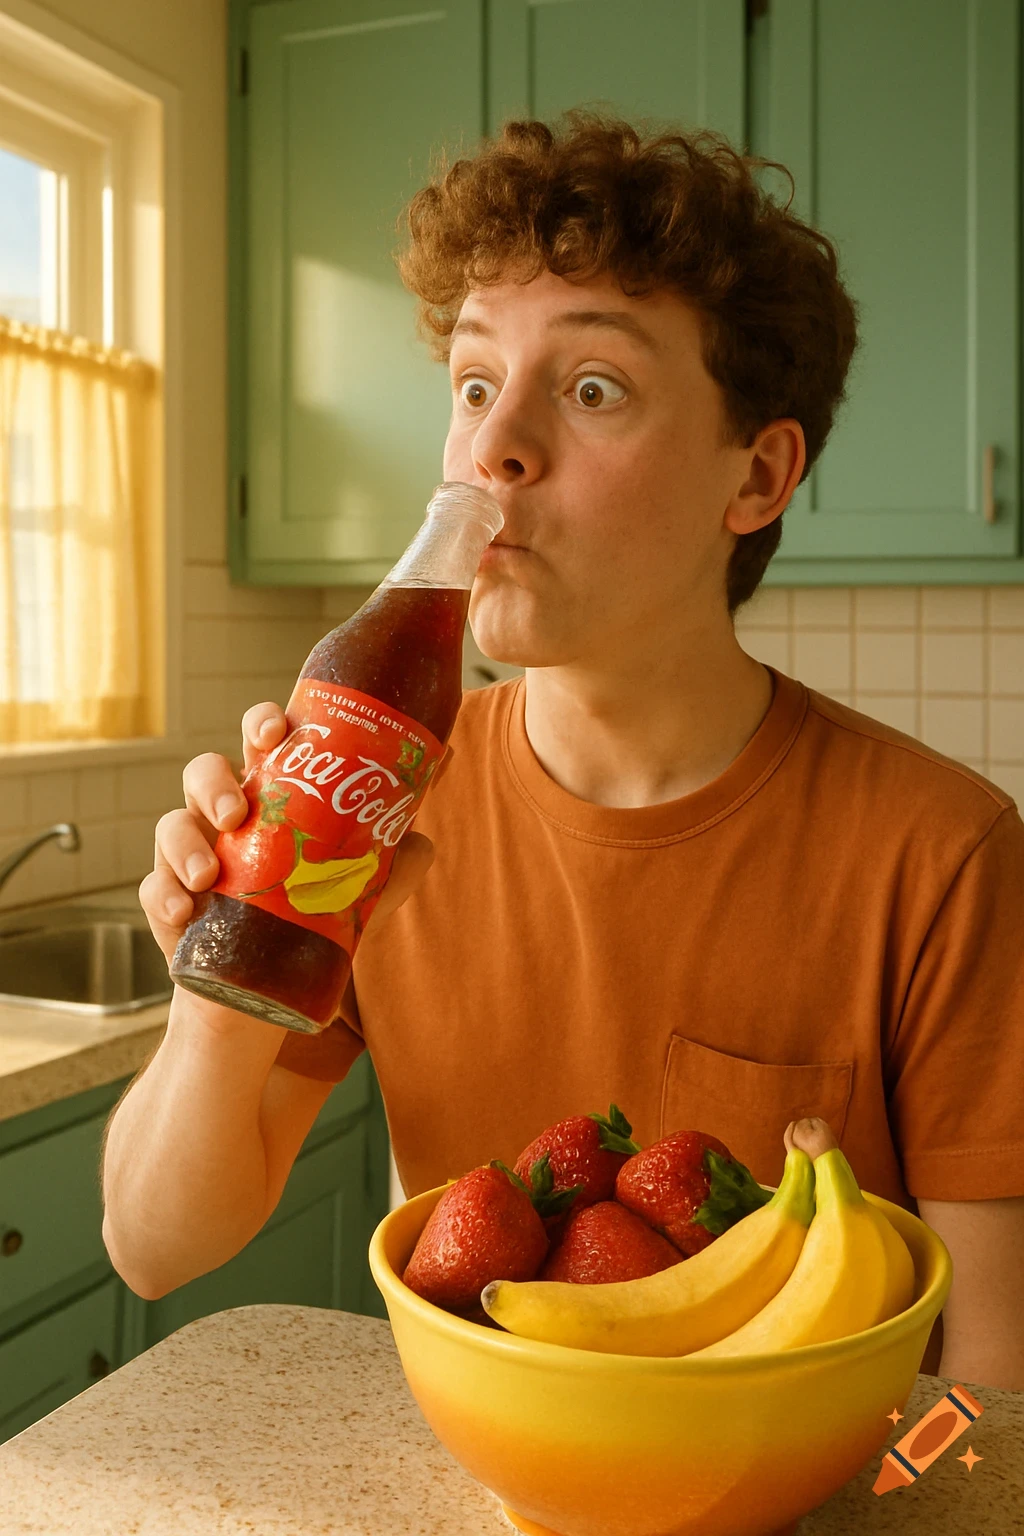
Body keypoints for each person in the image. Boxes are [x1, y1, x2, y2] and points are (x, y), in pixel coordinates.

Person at [102, 115, 1024, 1389]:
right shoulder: (377, 806)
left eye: (592, 388)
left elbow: (991, 1380)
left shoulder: (940, 853)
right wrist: (221, 979)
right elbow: (154, 1247)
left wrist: (904, 1510)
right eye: (475, 386)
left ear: (754, 476)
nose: (495, 446)